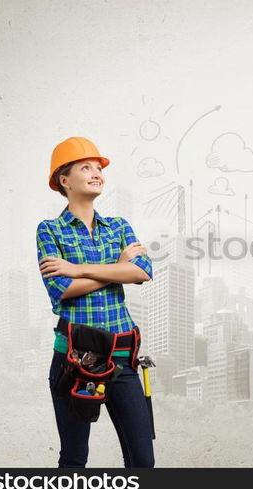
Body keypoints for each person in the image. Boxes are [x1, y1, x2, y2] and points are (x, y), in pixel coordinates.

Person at [36, 136, 155, 468]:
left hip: (123, 356)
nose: (96, 173)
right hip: (74, 358)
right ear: (63, 179)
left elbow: (143, 271)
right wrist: (119, 267)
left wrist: (79, 269)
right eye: (85, 167)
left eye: (98, 168)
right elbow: (60, 288)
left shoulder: (118, 226)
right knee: (74, 458)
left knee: (143, 461)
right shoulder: (50, 230)